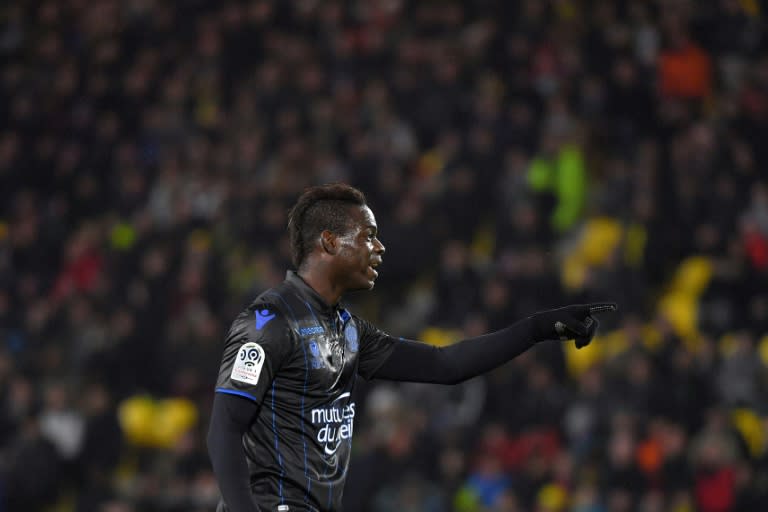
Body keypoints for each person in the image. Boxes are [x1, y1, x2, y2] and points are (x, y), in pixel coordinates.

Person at [207, 183, 616, 512]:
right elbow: (224, 428)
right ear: (329, 243)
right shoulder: (269, 322)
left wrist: (537, 328)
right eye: (368, 237)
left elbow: (445, 364)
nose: (379, 248)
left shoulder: (348, 330)